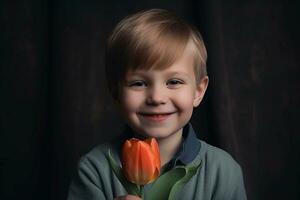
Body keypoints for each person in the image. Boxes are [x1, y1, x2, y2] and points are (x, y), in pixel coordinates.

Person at [67, 9, 247, 200]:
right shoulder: (94, 170)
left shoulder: (223, 171)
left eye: (174, 82)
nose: (156, 97)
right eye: (138, 83)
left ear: (198, 91)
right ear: (115, 93)